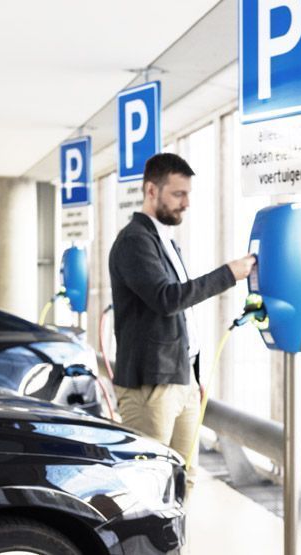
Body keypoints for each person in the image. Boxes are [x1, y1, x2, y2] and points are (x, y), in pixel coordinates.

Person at [108, 152, 255, 496]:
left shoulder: (164, 240)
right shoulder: (134, 240)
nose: (186, 203)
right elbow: (167, 298)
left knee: (183, 478)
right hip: (151, 385)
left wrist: (194, 376)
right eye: (178, 194)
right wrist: (229, 274)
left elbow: (179, 316)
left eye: (188, 194)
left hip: (180, 378)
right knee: (149, 482)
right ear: (151, 191)